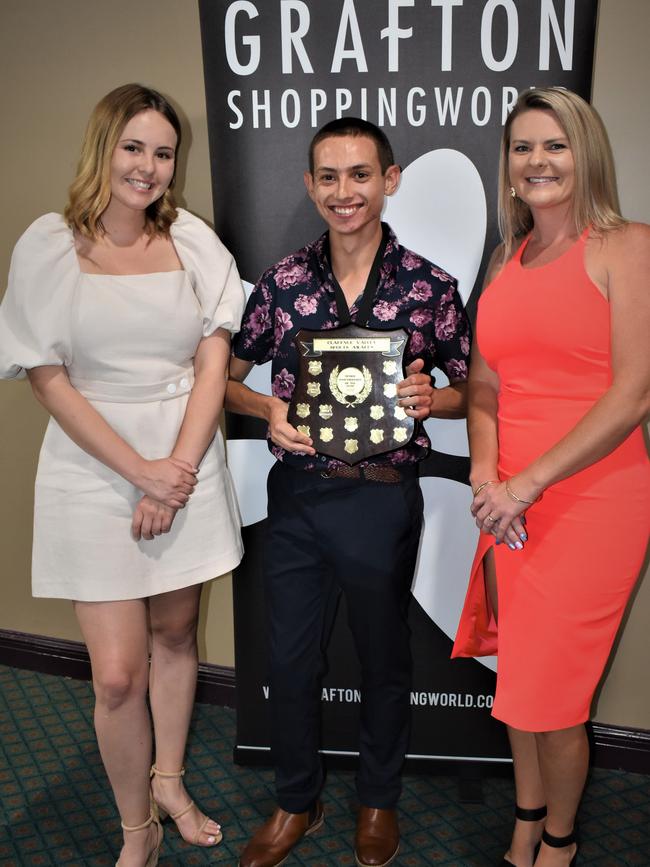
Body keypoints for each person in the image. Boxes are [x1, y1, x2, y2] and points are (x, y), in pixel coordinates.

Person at [0, 84, 245, 867]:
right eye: (133, 147)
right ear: (103, 147)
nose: (147, 167)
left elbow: (213, 365)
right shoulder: (47, 244)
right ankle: (135, 826)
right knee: (114, 674)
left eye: (163, 152)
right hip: (95, 470)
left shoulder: (196, 245)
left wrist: (174, 470)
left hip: (186, 456)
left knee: (176, 634)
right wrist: (140, 471)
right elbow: (48, 378)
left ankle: (170, 781)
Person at [226, 117, 471, 867]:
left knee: (383, 657)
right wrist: (270, 409)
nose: (344, 191)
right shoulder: (284, 282)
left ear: (389, 181)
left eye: (360, 174)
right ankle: (298, 798)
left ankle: (376, 798)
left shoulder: (432, 287)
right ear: (309, 185)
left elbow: (471, 389)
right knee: (292, 660)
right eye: (328, 176)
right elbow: (228, 379)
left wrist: (436, 397)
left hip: (382, 495)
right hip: (299, 493)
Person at [452, 87, 650, 867]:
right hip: (505, 503)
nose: (538, 161)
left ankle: (558, 843)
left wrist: (525, 483)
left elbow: (633, 394)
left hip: (590, 500)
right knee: (520, 682)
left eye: (555, 144)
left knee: (557, 700)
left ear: (586, 152)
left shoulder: (627, 246)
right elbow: (485, 386)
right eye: (524, 147)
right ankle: (526, 819)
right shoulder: (507, 257)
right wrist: (482, 471)